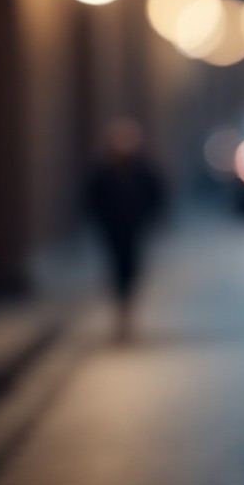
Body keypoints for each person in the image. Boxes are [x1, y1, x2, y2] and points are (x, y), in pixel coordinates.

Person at [85, 117, 165, 340]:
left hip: (134, 229)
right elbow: (92, 199)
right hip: (112, 230)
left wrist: (149, 219)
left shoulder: (142, 171)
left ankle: (127, 310)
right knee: (116, 268)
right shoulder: (103, 173)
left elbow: (155, 195)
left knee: (132, 268)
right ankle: (120, 312)